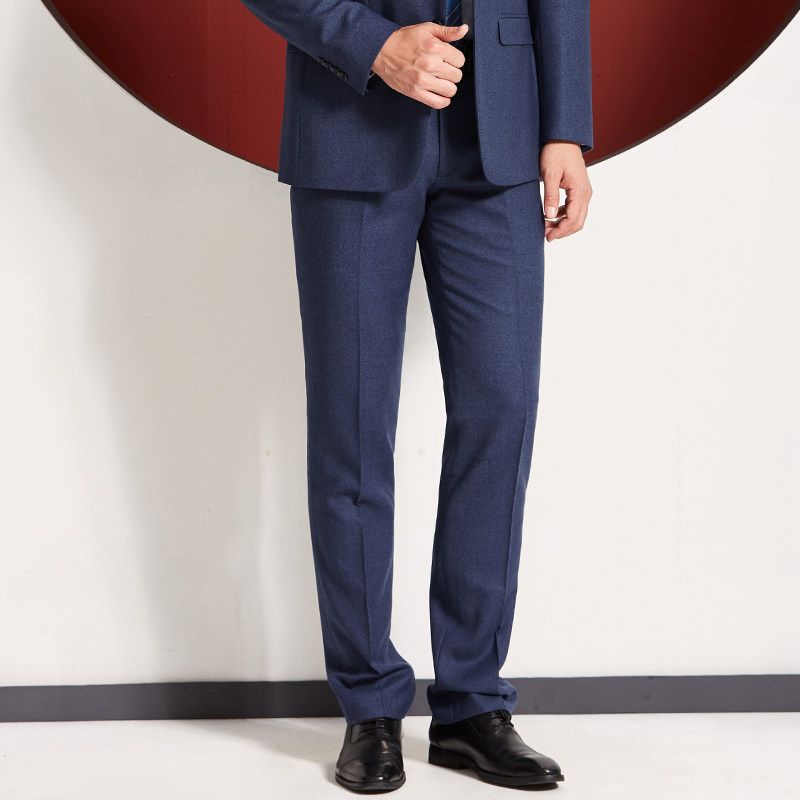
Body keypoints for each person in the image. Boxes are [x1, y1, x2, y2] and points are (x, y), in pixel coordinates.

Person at [238, 0, 593, 792]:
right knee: (353, 424)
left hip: (499, 137)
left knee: (502, 411)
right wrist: (372, 44)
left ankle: (472, 707)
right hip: (351, 121)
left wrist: (565, 126)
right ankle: (369, 706)